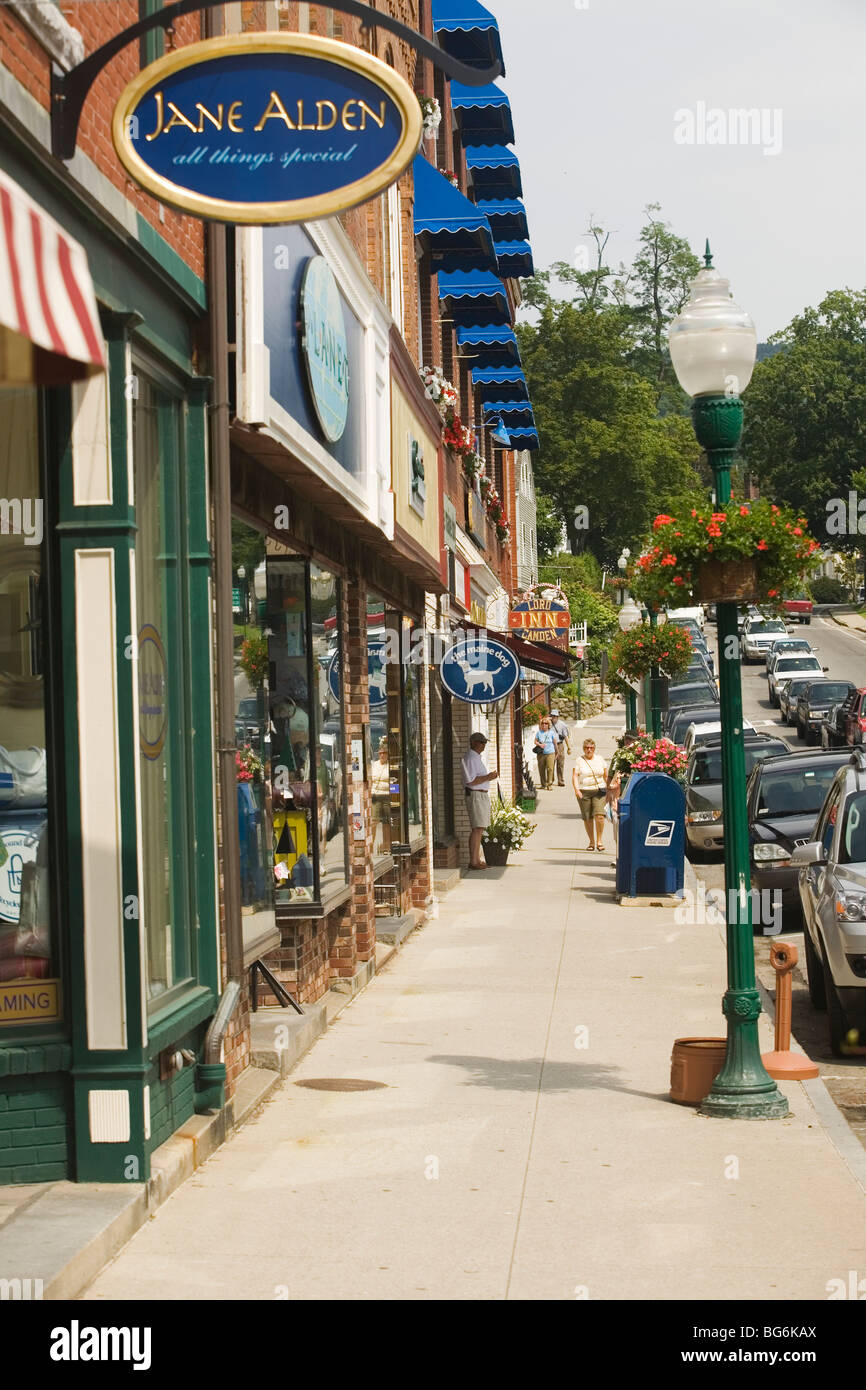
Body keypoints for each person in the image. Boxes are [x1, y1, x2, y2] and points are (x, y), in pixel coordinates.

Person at [461, 733, 499, 870]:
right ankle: (473, 861)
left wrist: (488, 778)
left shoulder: (476, 758)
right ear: (474, 743)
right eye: (481, 742)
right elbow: (470, 781)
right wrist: (488, 777)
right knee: (477, 828)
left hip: (480, 795)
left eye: (484, 742)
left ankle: (476, 859)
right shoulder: (471, 758)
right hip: (475, 795)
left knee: (479, 828)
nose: (484, 745)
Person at [572, 736, 609, 851]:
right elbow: (575, 776)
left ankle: (599, 840)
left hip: (599, 790)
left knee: (599, 816)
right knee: (588, 818)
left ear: (594, 749)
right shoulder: (579, 760)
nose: (589, 750)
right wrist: (577, 790)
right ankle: (591, 842)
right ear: (584, 749)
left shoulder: (600, 759)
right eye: (587, 748)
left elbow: (605, 775)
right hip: (585, 791)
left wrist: (609, 788)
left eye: (591, 748)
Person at [371, 736, 391, 855]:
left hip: (386, 795)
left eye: (384, 753)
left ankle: (386, 846)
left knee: (386, 823)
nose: (382, 755)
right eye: (380, 753)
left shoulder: (389, 765)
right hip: (376, 795)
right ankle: (371, 846)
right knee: (374, 821)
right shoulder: (375, 765)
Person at [533, 715, 558, 790]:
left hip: (550, 753)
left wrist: (557, 752)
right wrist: (539, 744)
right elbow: (535, 741)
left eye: (546, 723)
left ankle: (549, 784)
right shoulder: (539, 733)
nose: (544, 725)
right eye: (543, 723)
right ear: (541, 725)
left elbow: (555, 742)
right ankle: (543, 784)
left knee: (550, 768)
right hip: (541, 754)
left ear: (548, 725)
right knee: (541, 769)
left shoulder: (551, 733)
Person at [550, 709, 572, 786]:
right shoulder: (548, 723)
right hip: (550, 745)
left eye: (555, 716)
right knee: (550, 763)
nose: (553, 717)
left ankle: (560, 780)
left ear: (558, 716)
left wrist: (569, 747)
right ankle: (550, 780)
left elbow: (566, 736)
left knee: (560, 763)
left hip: (559, 745)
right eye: (552, 716)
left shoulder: (562, 725)